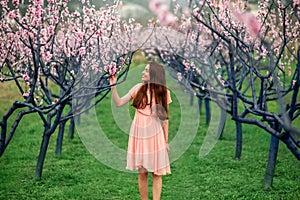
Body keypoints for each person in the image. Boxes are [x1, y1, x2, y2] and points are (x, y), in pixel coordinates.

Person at [109, 61, 172, 200]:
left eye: (146, 71)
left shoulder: (163, 92)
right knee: (142, 171)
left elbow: (165, 119)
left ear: (154, 75)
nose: (143, 72)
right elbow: (119, 103)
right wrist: (113, 86)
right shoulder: (138, 88)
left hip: (155, 134)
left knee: (157, 172)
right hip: (139, 133)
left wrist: (165, 141)